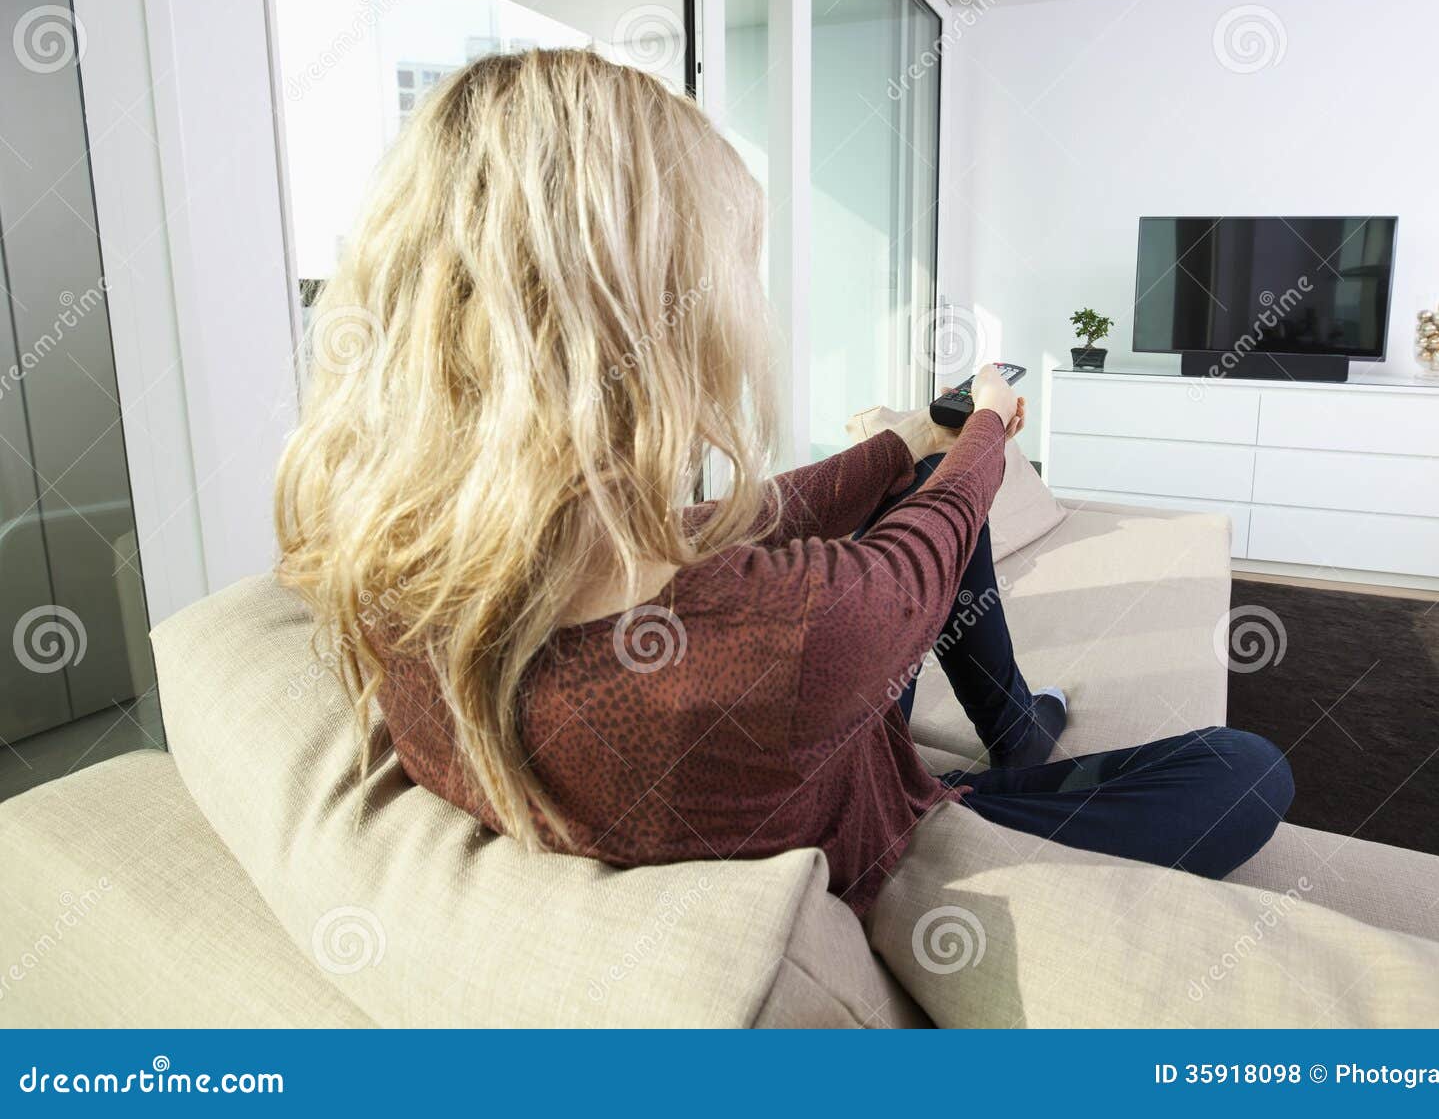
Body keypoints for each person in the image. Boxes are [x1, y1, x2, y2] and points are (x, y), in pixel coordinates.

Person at [275, 49, 1292, 919]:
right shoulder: (789, 630)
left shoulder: (405, 578)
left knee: (926, 486)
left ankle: (1018, 731)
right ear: (642, 310)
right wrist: (985, 421)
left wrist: (906, 440)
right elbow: (926, 547)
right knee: (1247, 767)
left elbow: (745, 522)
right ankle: (1007, 761)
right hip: (869, 802)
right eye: (737, 260)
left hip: (796, 740)